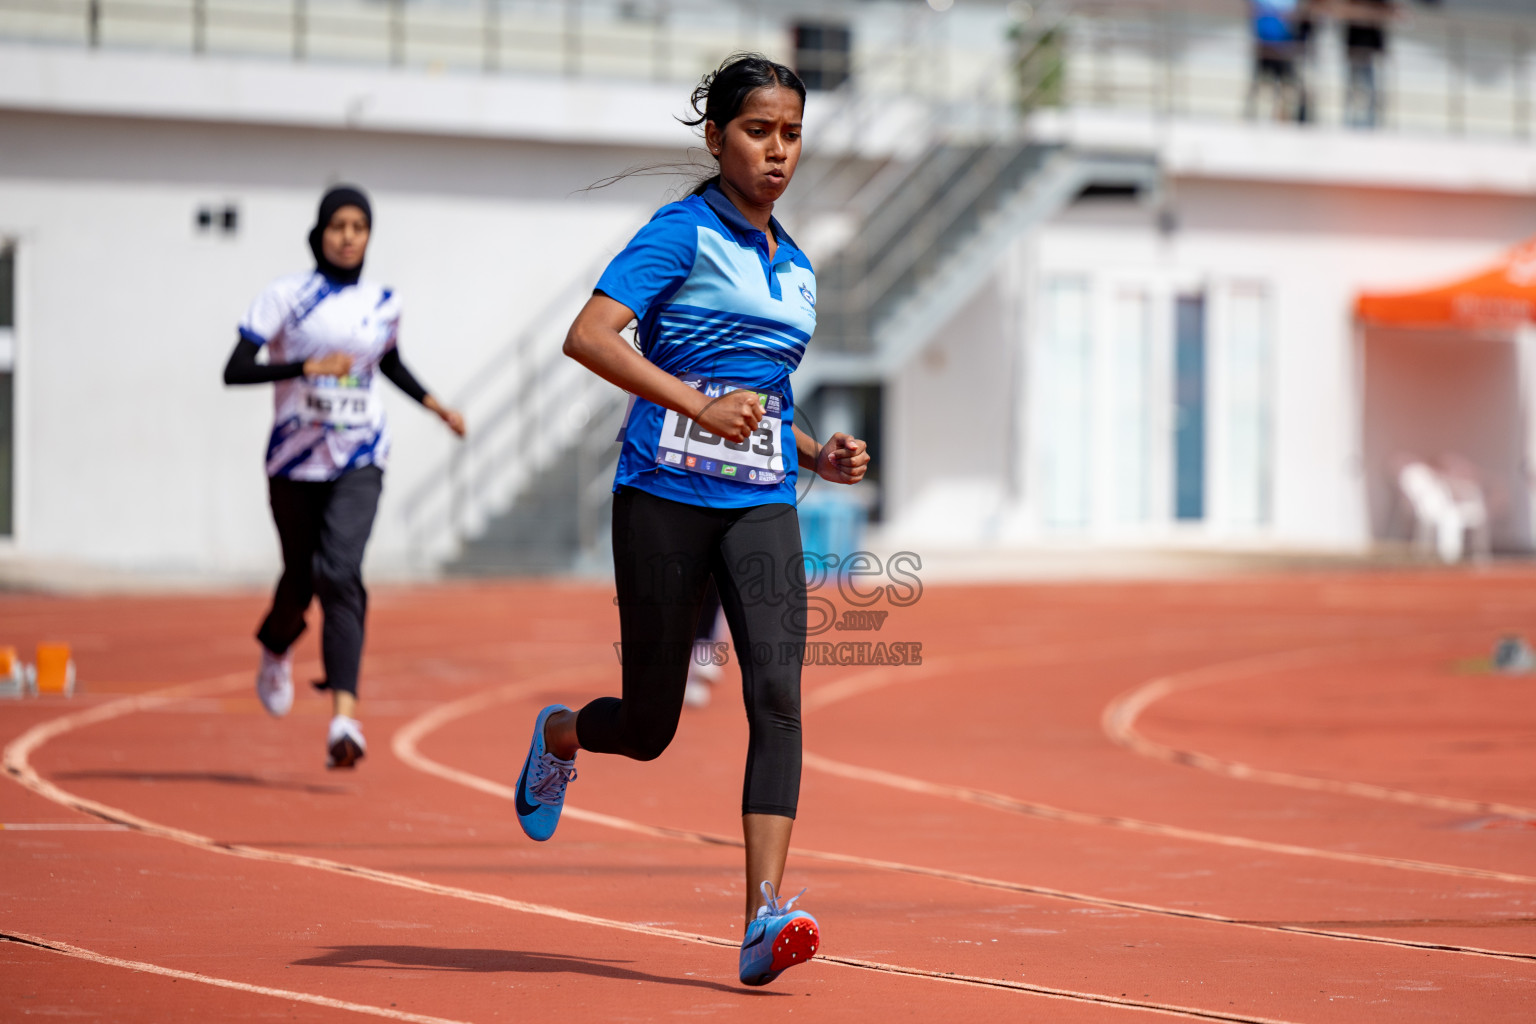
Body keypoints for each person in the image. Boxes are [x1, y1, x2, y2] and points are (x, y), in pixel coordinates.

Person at [515, 53, 869, 987]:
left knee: (778, 697)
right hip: (662, 498)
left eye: (792, 134)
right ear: (717, 139)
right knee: (651, 722)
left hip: (759, 505)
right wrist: (694, 404)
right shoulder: (680, 233)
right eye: (759, 131)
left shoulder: (796, 268)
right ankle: (561, 736)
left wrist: (814, 456)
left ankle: (762, 917)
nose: (778, 151)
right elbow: (589, 336)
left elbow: (767, 402)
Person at [223, 184, 465, 768]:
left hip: (361, 457)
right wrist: (307, 365)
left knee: (342, 572)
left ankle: (343, 720)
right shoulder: (286, 296)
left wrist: (436, 405)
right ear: (321, 232)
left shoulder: (383, 301)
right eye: (339, 225)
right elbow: (235, 369)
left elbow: (388, 362)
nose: (349, 235)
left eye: (359, 226)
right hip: (293, 462)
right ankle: (277, 646)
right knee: (301, 579)